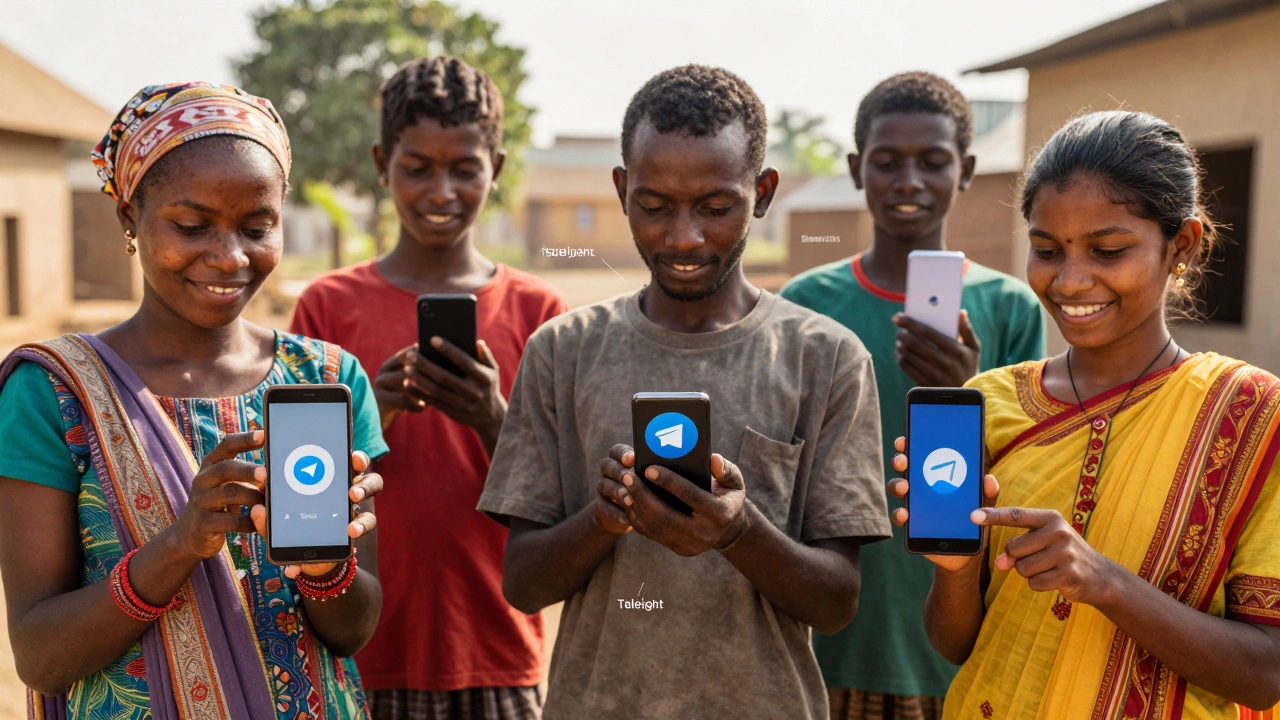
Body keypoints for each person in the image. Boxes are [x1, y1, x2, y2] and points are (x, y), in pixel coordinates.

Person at [477, 64, 892, 720]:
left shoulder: (826, 358)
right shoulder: (562, 351)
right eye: (654, 205)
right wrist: (605, 516)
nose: (683, 237)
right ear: (621, 190)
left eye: (715, 206)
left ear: (762, 192)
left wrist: (738, 531)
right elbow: (524, 583)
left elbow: (836, 602)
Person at [0, 82, 389, 719]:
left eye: (257, 227)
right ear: (129, 216)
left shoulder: (325, 379)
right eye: (191, 226)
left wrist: (326, 568)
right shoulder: (52, 392)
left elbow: (353, 632)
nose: (230, 256)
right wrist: (182, 543)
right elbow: (41, 657)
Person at [890, 110, 1280, 720]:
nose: (1070, 281)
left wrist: (1104, 581)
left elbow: (1265, 676)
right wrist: (959, 566)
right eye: (1046, 250)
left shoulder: (1251, 414)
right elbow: (955, 645)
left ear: (1181, 244)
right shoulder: (991, 402)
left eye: (1108, 250)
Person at [290, 56, 567, 719]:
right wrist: (369, 413)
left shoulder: (539, 313)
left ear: (495, 168)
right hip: (352, 647)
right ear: (384, 163)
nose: (440, 191)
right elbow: (298, 496)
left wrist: (492, 416)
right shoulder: (328, 308)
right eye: (417, 168)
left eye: (464, 168)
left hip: (494, 650)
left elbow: (559, 500)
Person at [780, 71, 1044, 719]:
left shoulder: (1008, 307)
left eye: (933, 162)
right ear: (853, 168)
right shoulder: (806, 306)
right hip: (838, 639)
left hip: (962, 646)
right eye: (886, 161)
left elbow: (1027, 478)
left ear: (967, 169)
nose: (908, 182)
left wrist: (964, 394)